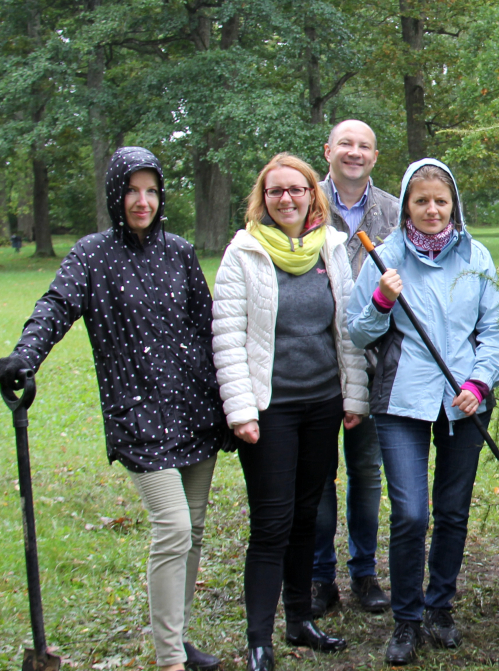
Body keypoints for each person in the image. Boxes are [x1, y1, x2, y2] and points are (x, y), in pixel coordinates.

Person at [0, 147, 227, 671]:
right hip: (137, 413)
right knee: (174, 527)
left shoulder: (181, 252)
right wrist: (26, 356)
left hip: (193, 407)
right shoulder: (92, 255)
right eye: (131, 190)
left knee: (195, 530)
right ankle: (170, 660)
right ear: (115, 195)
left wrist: (233, 396)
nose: (142, 201)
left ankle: (178, 635)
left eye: (151, 191)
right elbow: (56, 306)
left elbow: (209, 326)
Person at [345, 158, 499, 665]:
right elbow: (358, 331)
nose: (432, 210)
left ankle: (440, 607)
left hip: (464, 402)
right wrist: (382, 300)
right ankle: (407, 619)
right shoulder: (385, 256)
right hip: (402, 402)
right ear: (406, 208)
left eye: (440, 201)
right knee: (412, 513)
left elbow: (492, 334)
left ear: (453, 203)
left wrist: (479, 383)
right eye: (421, 201)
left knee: (453, 511)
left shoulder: (477, 256)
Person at [213, 154, 369, 671]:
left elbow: (345, 325)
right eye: (276, 191)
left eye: (296, 190)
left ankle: (299, 619)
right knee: (272, 522)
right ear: (264, 198)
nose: (287, 199)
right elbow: (228, 337)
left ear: (311, 196)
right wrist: (240, 410)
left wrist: (354, 396)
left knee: (309, 515)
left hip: (322, 403)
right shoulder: (244, 252)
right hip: (268, 408)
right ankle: (259, 638)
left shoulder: (330, 247)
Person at [311, 120, 400, 617]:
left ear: (375, 155)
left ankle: (364, 572)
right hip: (317, 367)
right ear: (328, 151)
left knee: (367, 473)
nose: (354, 152)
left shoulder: (392, 210)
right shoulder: (303, 203)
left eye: (364, 145)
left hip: (375, 365)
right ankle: (320, 577)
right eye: (345, 143)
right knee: (320, 476)